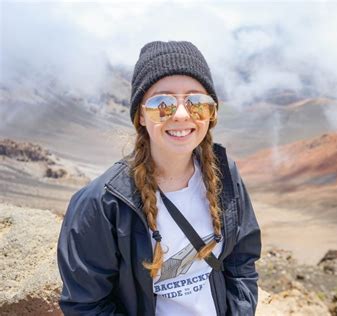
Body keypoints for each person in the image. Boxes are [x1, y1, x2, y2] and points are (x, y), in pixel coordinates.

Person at [57, 41, 261, 316]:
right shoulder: (103, 204)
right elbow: (86, 305)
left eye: (196, 102)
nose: (180, 114)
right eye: (161, 103)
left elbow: (242, 261)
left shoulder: (224, 175)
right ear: (140, 115)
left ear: (212, 113)